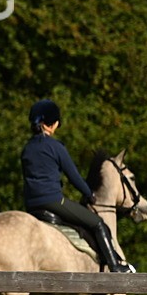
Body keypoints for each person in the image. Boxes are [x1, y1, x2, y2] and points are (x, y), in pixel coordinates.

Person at [21, 99, 134, 273]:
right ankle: (115, 267)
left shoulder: (27, 148)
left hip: (31, 204)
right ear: (53, 124)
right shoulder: (55, 147)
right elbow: (74, 177)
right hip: (53, 201)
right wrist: (89, 194)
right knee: (98, 224)